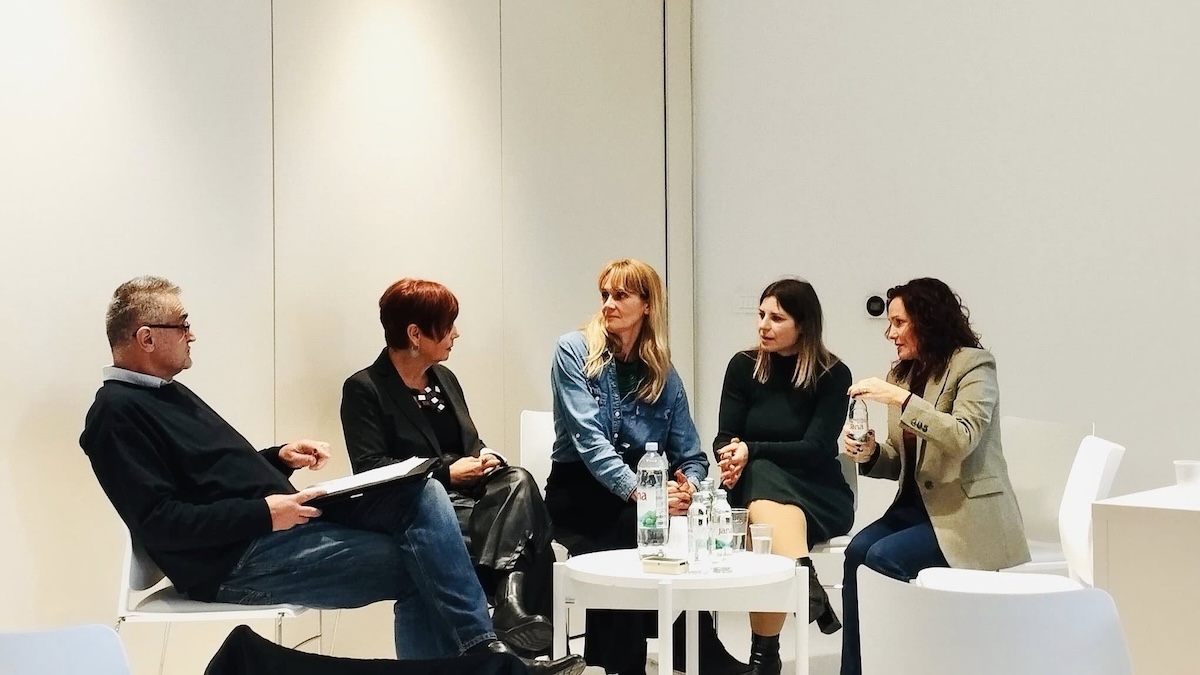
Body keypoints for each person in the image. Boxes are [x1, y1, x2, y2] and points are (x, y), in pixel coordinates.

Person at [80, 276, 583, 675]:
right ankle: (490, 658)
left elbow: (209, 478)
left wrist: (277, 458)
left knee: (424, 493)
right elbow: (161, 522)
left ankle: (486, 656)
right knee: (426, 558)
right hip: (237, 560)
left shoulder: (162, 394)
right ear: (146, 338)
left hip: (278, 527)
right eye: (182, 324)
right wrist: (262, 513)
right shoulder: (116, 414)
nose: (191, 334)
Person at [545, 259, 751, 675]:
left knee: (668, 525)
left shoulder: (662, 373)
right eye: (605, 294)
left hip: (644, 493)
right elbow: (590, 443)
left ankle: (650, 654)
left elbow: (691, 455)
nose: (608, 304)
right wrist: (647, 495)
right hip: (580, 490)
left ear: (647, 305)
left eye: (620, 296)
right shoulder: (573, 350)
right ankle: (658, 655)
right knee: (635, 525)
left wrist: (688, 488)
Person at [341, 278, 557, 654]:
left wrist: (485, 456)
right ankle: (519, 645)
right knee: (534, 544)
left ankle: (509, 611)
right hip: (416, 503)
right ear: (415, 334)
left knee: (519, 479)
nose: (456, 333)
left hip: (471, 494)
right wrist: (445, 473)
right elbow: (371, 468)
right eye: (447, 325)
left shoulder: (445, 379)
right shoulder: (365, 388)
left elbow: (468, 443)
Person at [838, 278, 1029, 675]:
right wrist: (872, 453)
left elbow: (963, 437)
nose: (890, 334)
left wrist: (902, 400)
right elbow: (902, 460)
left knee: (882, 558)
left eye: (899, 323)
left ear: (927, 321)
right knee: (857, 553)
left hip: (965, 516)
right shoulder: (902, 375)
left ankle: (904, 664)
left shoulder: (974, 365)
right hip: (915, 509)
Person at [713, 278, 851, 675]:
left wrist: (751, 451)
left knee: (760, 486)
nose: (763, 325)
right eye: (761, 315)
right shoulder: (743, 366)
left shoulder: (832, 374)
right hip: (754, 492)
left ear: (803, 325)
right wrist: (731, 455)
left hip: (816, 490)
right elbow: (724, 436)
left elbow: (816, 448)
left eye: (776, 318)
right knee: (761, 509)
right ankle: (802, 577)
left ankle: (765, 656)